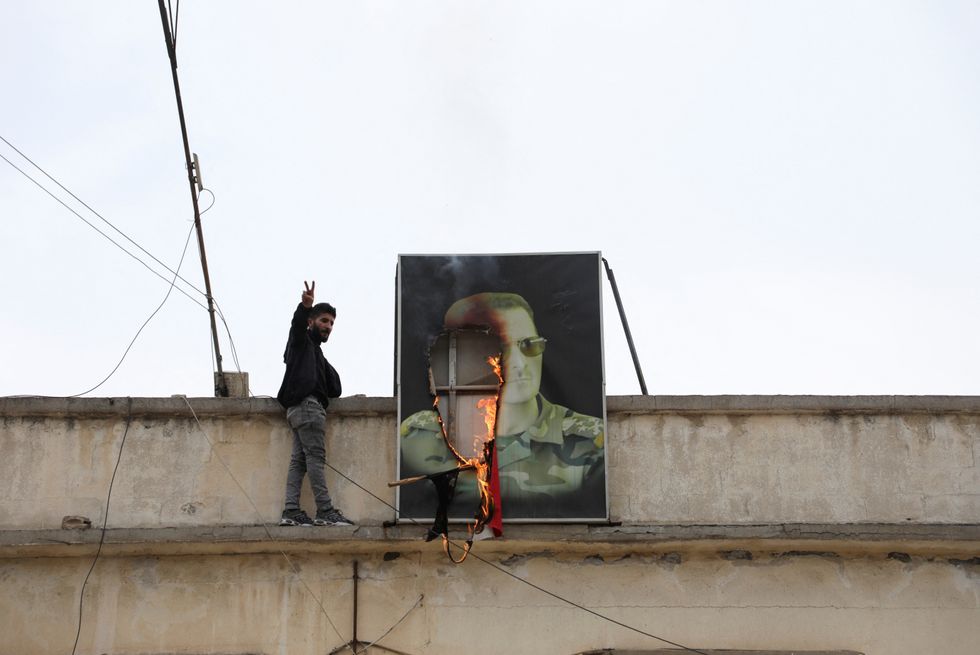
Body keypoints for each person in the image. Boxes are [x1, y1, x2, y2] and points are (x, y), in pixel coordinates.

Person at [400, 292, 604, 518]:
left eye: (529, 345)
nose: (519, 364)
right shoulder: (419, 437)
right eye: (501, 349)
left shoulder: (592, 445)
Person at [276, 281, 353, 527]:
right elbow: (296, 328)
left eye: (331, 323)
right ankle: (325, 510)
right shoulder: (301, 343)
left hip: (300, 410)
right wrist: (304, 307)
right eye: (323, 321)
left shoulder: (316, 354)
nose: (328, 326)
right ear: (311, 321)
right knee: (316, 458)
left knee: (299, 461)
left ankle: (291, 511)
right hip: (308, 409)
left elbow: (335, 388)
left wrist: (322, 364)